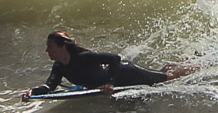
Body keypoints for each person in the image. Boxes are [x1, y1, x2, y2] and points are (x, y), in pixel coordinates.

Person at [22, 31, 196, 101]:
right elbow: (49, 86)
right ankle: (178, 62)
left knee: (167, 79)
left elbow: (114, 58)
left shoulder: (83, 57)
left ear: (62, 46)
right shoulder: (59, 66)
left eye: (50, 46)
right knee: (159, 74)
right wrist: (34, 92)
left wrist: (110, 83)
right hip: (114, 78)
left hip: (126, 73)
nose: (47, 50)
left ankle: (197, 65)